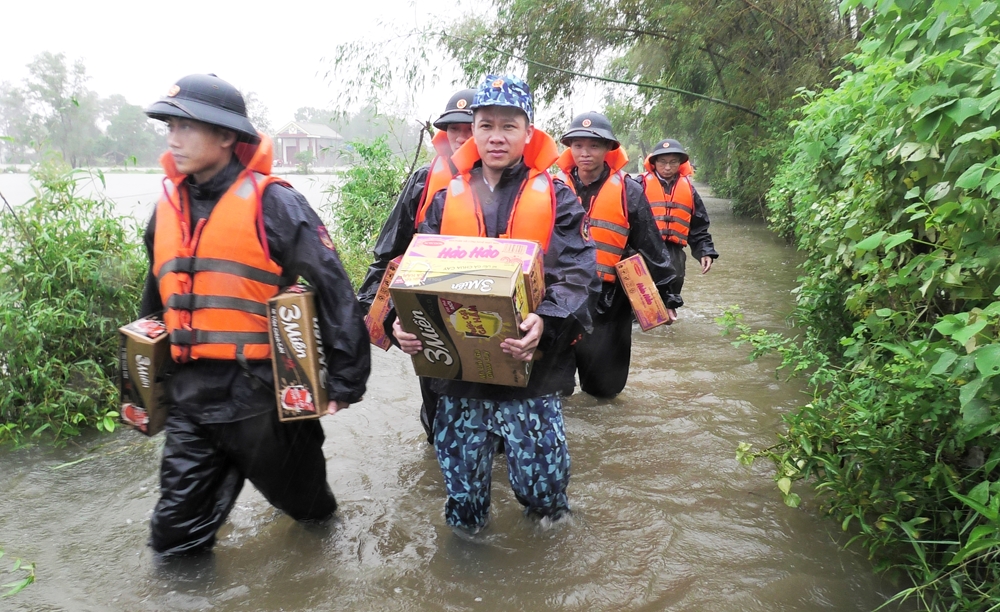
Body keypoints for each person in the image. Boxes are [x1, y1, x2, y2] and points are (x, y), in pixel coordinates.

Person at [140, 74, 370, 556]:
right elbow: (158, 299)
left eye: (186, 127)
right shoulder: (165, 211)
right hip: (190, 402)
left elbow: (333, 289)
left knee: (312, 514)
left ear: (226, 136)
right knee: (173, 538)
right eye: (168, 126)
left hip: (264, 400)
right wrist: (141, 380)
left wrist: (347, 379)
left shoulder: (276, 204)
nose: (172, 138)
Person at [392, 75, 599, 533]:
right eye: (485, 125)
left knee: (545, 498)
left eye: (509, 125)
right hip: (460, 379)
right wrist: (400, 325)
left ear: (529, 132)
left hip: (533, 369)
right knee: (464, 504)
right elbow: (414, 274)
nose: (496, 136)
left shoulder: (558, 197)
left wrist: (545, 322)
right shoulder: (446, 199)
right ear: (471, 130)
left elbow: (580, 276)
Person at [357, 88, 475, 445]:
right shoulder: (425, 179)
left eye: (468, 128)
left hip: (485, 310)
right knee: (439, 415)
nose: (460, 136)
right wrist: (373, 310)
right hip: (429, 310)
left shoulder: (510, 182)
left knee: (492, 418)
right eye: (453, 128)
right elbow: (390, 252)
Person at [555, 112, 683, 398]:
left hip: (609, 298)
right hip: (560, 296)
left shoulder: (629, 190)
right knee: (555, 386)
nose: (585, 153)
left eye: (594, 146)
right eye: (577, 145)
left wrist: (668, 296)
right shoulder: (552, 188)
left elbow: (651, 246)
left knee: (604, 389)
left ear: (609, 149)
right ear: (569, 148)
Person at [641, 139, 719, 292]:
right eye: (662, 162)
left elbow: (699, 226)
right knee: (642, 300)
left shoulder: (689, 190)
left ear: (680, 163)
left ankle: (669, 313)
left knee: (671, 294)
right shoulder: (638, 185)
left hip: (674, 252)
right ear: (654, 162)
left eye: (673, 162)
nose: (668, 167)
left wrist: (705, 251)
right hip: (644, 250)